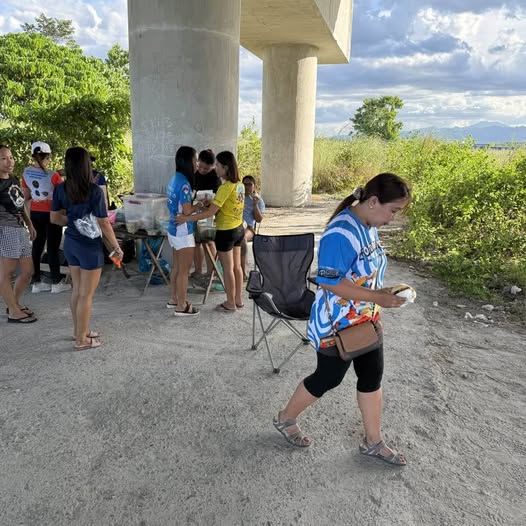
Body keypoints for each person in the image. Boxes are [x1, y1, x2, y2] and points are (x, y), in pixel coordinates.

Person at [272, 172, 411, 466]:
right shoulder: (341, 233)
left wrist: (381, 297)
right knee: (328, 378)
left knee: (372, 377)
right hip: (336, 324)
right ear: (373, 202)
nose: (392, 219)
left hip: (365, 319)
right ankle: (286, 418)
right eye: (393, 211)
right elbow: (329, 281)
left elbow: (364, 271)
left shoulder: (368, 225)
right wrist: (377, 297)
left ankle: (373, 441)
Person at [50, 147, 123, 350]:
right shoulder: (94, 191)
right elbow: (104, 223)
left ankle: (79, 331)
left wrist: (74, 221)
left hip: (71, 243)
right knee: (86, 294)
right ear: (86, 166)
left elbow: (54, 218)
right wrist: (116, 247)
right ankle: (82, 340)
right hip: (89, 247)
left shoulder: (61, 189)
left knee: (77, 290)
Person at [176, 151, 244, 311]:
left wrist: (186, 218)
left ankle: (230, 303)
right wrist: (208, 204)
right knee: (237, 267)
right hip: (238, 229)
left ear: (225, 168)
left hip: (226, 232)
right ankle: (238, 299)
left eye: (218, 166)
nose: (216, 168)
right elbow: (225, 206)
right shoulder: (239, 185)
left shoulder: (224, 187)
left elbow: (211, 213)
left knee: (228, 269)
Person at [21, 142, 71, 294]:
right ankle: (56, 282)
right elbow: (62, 197)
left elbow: (26, 196)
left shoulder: (26, 173)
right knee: (53, 248)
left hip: (35, 213)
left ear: (33, 156)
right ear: (48, 156)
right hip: (52, 214)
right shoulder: (54, 175)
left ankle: (36, 282)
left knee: (37, 247)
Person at [0, 145, 37, 323]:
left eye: (11, 157)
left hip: (20, 228)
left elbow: (20, 205)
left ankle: (14, 303)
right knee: (6, 273)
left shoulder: (14, 179)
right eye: (3, 158)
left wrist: (29, 224)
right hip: (5, 229)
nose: (9, 162)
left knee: (28, 271)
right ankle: (13, 311)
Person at [166, 146, 203, 316]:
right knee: (184, 271)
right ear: (188, 161)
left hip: (173, 229)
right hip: (183, 231)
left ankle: (173, 299)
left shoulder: (174, 179)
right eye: (195, 160)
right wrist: (199, 205)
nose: (197, 163)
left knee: (177, 267)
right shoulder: (185, 184)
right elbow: (187, 211)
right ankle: (182, 306)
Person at [191, 149, 221, 283]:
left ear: (212, 166)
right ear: (197, 162)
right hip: (196, 211)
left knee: (208, 242)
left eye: (206, 168)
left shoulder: (215, 177)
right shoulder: (194, 175)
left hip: (210, 214)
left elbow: (219, 199)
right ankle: (198, 270)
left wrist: (210, 201)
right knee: (196, 242)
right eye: (200, 167)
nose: (202, 170)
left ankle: (211, 271)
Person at [240, 175, 265, 280]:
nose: (247, 187)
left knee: (242, 239)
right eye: (244, 184)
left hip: (249, 228)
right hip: (235, 225)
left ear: (254, 186)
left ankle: (243, 271)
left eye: (249, 184)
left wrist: (255, 205)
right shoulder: (238, 197)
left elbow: (259, 219)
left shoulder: (259, 200)